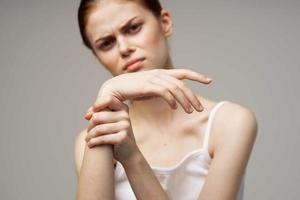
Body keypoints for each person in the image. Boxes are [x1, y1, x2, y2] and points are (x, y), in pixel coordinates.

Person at [74, 0, 258, 199]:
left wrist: (133, 159)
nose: (124, 48)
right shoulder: (92, 138)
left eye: (133, 28)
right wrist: (108, 91)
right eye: (106, 43)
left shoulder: (229, 122)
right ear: (97, 56)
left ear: (165, 22)